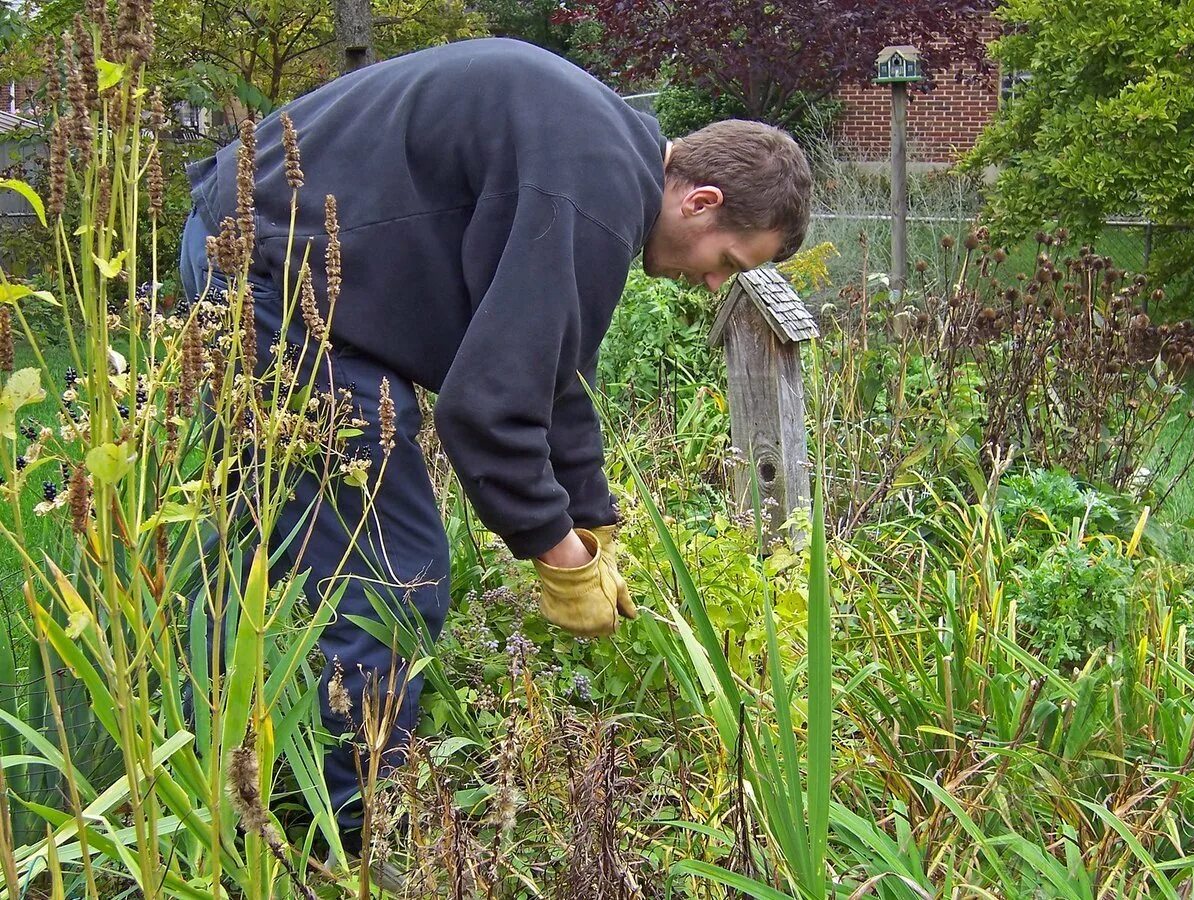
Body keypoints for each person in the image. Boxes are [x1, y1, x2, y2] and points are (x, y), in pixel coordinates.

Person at [178, 36, 810, 859]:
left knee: (276, 549)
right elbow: (486, 411)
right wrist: (555, 555)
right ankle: (348, 842)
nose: (713, 283)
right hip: (266, 275)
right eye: (729, 260)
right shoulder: (592, 187)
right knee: (395, 574)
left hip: (265, 255)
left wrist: (592, 519)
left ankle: (223, 777)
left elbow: (554, 374)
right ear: (703, 200)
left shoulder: (599, 151)